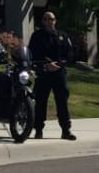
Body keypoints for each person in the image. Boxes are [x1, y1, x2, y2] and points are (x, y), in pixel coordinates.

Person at [28, 10, 77, 140]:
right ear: (42, 21)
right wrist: (45, 65)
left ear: (55, 21)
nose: (49, 21)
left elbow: (70, 54)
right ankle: (38, 130)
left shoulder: (63, 36)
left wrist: (60, 64)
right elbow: (32, 54)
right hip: (43, 73)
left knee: (62, 101)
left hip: (59, 73)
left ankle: (66, 130)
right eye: (46, 19)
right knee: (40, 102)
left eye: (51, 19)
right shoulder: (37, 36)